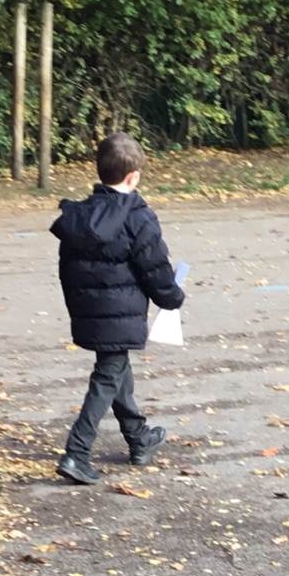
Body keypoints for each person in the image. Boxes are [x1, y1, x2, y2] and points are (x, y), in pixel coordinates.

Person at [52, 131, 185, 486]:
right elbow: (154, 267)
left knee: (116, 368)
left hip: (88, 310)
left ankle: (139, 438)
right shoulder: (138, 217)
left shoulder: (80, 216)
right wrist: (172, 298)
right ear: (133, 176)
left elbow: (67, 268)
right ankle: (76, 452)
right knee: (107, 376)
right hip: (119, 312)